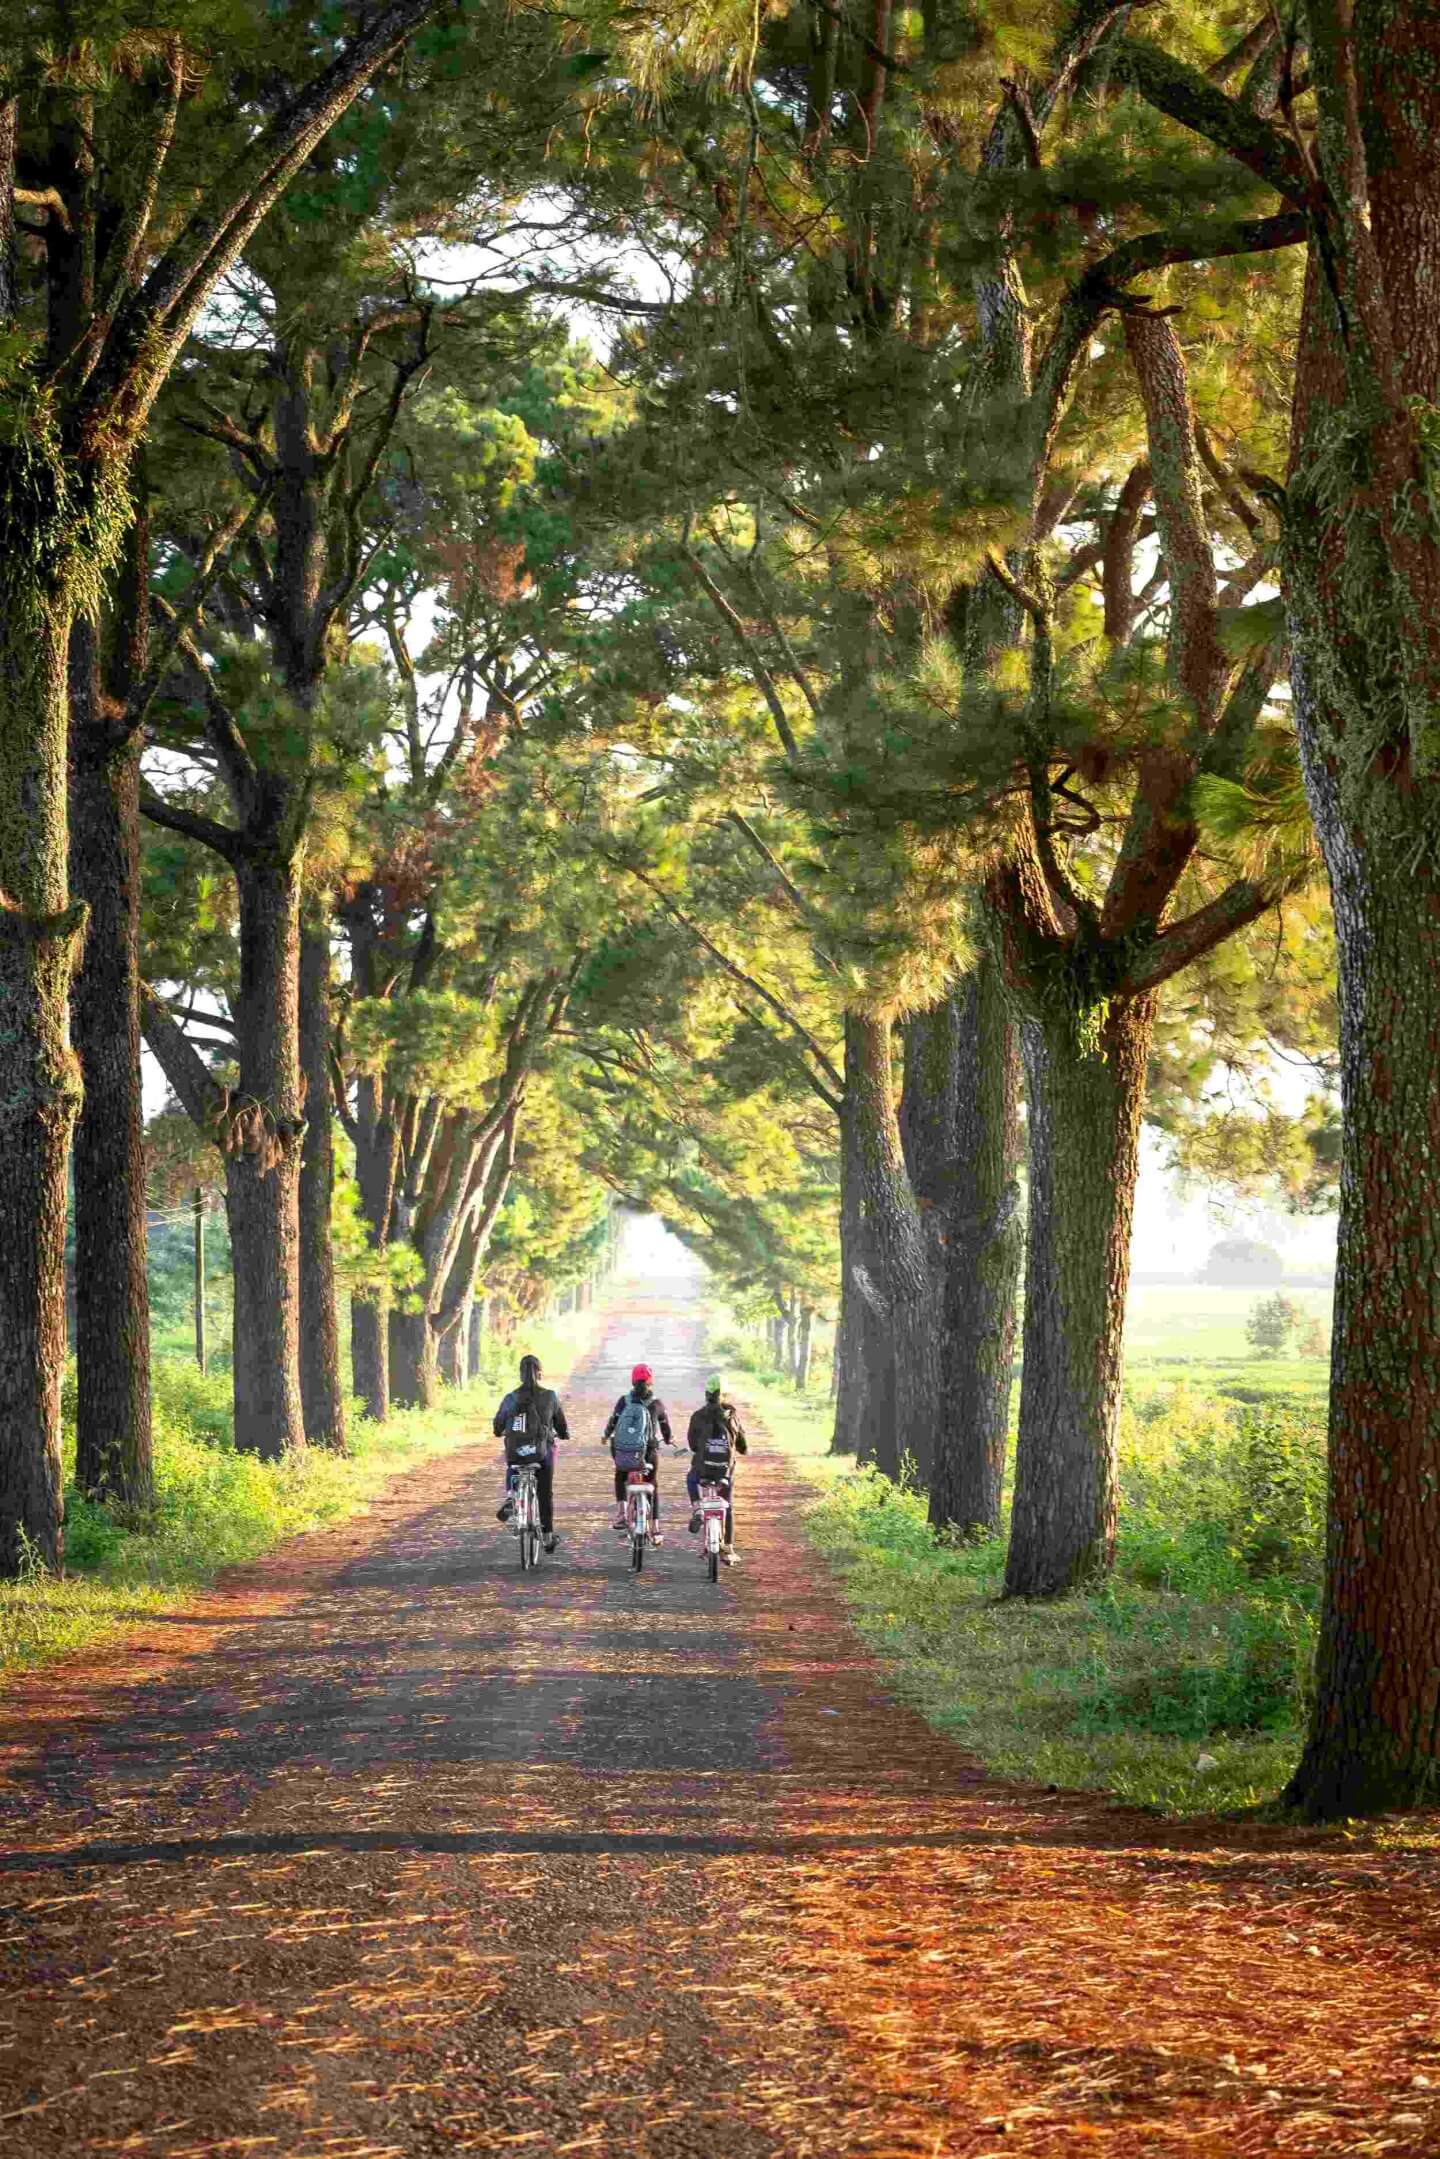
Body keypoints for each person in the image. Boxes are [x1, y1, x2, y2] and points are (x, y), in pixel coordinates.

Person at [494, 1353, 568, 1552]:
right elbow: (561, 1426)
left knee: (513, 1463)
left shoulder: (511, 1398)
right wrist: (563, 1433)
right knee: (545, 1493)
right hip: (542, 1453)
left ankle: (511, 1496)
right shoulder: (550, 1396)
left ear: (520, 1375)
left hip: (517, 1452)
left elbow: (497, 1426)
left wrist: (502, 1430)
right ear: (540, 1374)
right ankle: (547, 1536)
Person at [602, 1364, 674, 1543]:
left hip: (624, 1453)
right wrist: (668, 1439)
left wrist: (605, 1435)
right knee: (653, 1484)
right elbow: (666, 1430)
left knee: (620, 1475)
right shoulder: (657, 1404)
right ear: (651, 1382)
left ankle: (621, 1514)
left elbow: (613, 1423)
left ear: (633, 1381)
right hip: (648, 1453)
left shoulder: (623, 1401)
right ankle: (656, 1528)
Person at [685, 1374, 748, 1565]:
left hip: (702, 1471)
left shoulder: (698, 1416)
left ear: (706, 1394)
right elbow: (742, 1446)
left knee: (690, 1478)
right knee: (727, 1503)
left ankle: (697, 1508)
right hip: (724, 1472)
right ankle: (728, 1548)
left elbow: (693, 1445)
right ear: (725, 1395)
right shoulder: (732, 1417)